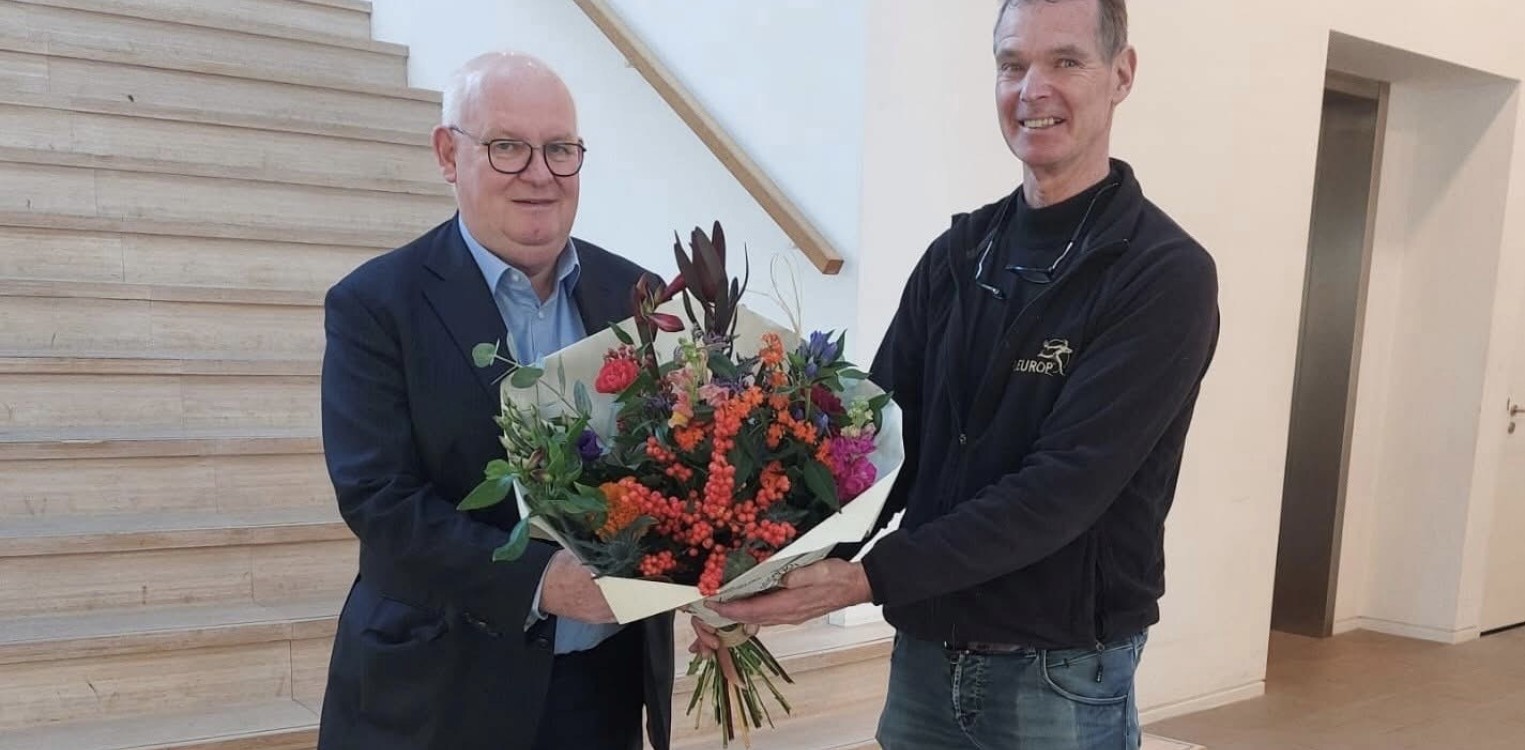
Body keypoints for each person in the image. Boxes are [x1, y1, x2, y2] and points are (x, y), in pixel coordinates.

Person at [708, 1, 1219, 747]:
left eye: (1064, 62)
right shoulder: (956, 256)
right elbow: (873, 449)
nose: (1031, 88)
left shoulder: (1160, 275)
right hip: (924, 655)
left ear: (1121, 74)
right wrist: (762, 571)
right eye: (1011, 65)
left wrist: (865, 579)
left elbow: (1063, 488)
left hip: (1058, 672)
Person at [317, 52, 673, 750]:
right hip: (438, 693)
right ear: (449, 154)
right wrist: (545, 581)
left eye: (559, 149)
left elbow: (674, 470)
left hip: (601, 690)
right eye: (507, 147)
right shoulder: (375, 305)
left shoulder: (637, 297)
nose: (539, 173)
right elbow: (379, 502)